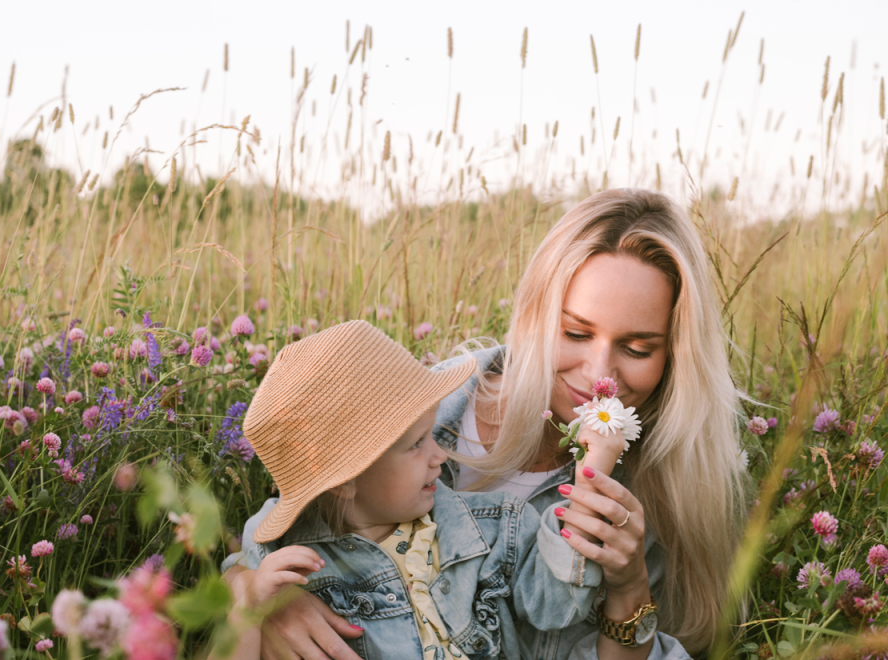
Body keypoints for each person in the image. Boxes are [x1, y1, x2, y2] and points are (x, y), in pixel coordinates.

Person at [225, 189, 742, 659]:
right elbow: (280, 528)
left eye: (636, 348)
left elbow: (559, 614)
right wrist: (253, 599)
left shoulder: (652, 487)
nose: (600, 377)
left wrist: (628, 590)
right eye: (574, 332)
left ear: (675, 356)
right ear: (535, 314)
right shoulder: (417, 408)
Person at [215, 319, 614, 660]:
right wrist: (246, 613)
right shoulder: (284, 558)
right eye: (416, 444)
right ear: (346, 481)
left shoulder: (490, 528)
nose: (440, 455)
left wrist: (593, 471)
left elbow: (558, 604)